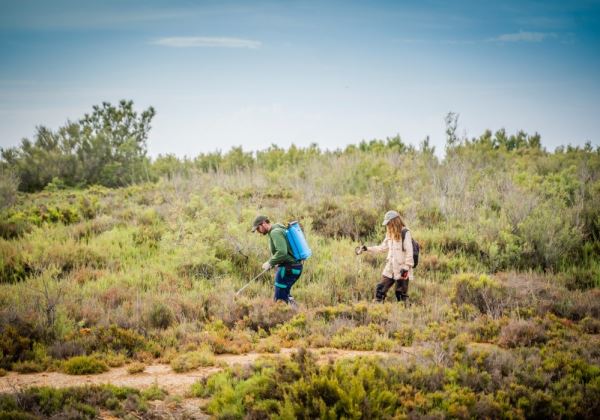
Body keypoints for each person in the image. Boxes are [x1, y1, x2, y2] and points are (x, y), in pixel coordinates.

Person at [360, 210, 414, 303]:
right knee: (380, 290)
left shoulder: (405, 233)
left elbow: (410, 252)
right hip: (390, 267)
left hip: (402, 269)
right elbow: (382, 247)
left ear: (394, 222)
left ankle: (406, 313)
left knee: (401, 295)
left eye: (389, 223)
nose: (388, 225)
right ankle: (376, 312)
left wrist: (406, 267)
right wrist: (367, 249)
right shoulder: (390, 233)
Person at [251, 215, 303, 305]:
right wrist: (273, 264)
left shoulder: (275, 232)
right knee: (285, 294)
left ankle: (283, 316)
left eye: (258, 228)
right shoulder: (277, 227)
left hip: (288, 269)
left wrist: (269, 262)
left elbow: (282, 252)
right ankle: (296, 314)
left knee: (279, 300)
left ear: (263, 224)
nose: (258, 231)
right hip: (294, 267)